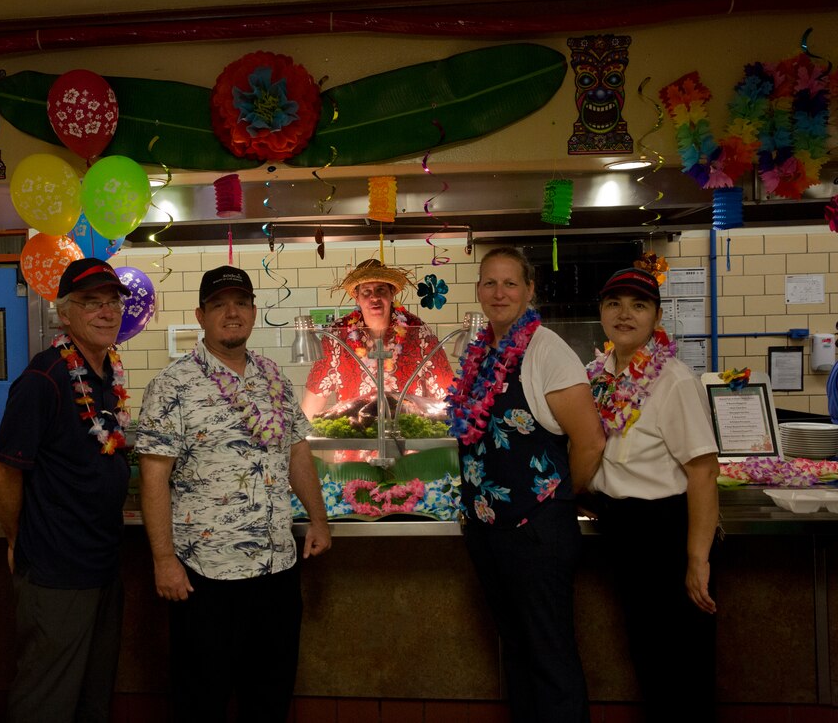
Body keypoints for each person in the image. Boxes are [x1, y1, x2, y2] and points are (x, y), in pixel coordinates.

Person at [135, 265, 332, 723]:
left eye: (240, 303)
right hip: (206, 574)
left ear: (254, 312)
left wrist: (318, 520)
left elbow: (297, 453)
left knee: (270, 694)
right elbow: (153, 478)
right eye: (220, 304)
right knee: (201, 698)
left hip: (278, 566)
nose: (232, 312)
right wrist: (163, 559)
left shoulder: (273, 377)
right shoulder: (173, 384)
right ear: (201, 315)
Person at [445, 246, 606, 723]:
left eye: (510, 283)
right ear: (478, 290)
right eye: (490, 283)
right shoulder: (482, 352)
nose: (499, 293)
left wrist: (556, 499)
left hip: (534, 533)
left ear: (529, 290)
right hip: (489, 534)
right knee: (516, 654)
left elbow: (591, 440)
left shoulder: (546, 351)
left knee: (549, 659)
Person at [0, 257, 133, 723]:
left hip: (103, 563)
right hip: (56, 569)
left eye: (112, 302)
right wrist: (15, 542)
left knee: (93, 696)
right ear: (64, 314)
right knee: (46, 699)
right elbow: (4, 472)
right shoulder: (43, 378)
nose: (107, 312)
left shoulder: (106, 375)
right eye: (92, 303)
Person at [584, 268, 720, 723]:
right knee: (646, 654)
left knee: (681, 663)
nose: (625, 314)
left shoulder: (674, 379)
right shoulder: (598, 376)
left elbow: (702, 471)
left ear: (657, 316)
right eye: (614, 303)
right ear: (601, 312)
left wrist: (696, 560)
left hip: (665, 530)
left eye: (638, 305)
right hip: (622, 530)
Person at [301, 258, 455, 419]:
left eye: (380, 289)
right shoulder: (337, 335)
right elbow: (314, 399)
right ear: (356, 296)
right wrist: (301, 440)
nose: (374, 297)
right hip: (353, 438)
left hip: (407, 438)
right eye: (366, 291)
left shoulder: (419, 332)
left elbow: (448, 397)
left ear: (392, 293)